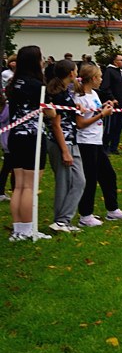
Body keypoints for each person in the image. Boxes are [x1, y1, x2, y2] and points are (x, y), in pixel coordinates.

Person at [73, 62, 122, 225]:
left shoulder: (94, 94)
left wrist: (104, 107)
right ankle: (85, 215)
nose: (101, 80)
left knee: (108, 175)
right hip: (86, 142)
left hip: (96, 141)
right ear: (93, 78)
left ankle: (112, 210)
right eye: (99, 77)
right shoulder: (80, 98)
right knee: (90, 179)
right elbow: (80, 123)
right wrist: (102, 115)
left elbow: (94, 111)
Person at [6, 46, 55, 241]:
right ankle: (26, 229)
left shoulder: (13, 83)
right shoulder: (38, 86)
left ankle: (19, 229)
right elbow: (50, 112)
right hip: (32, 137)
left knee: (19, 185)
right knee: (29, 186)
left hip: (15, 136)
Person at [45, 59, 85, 232]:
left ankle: (63, 219)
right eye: (76, 70)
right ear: (71, 73)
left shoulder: (64, 91)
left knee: (79, 181)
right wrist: (64, 151)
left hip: (71, 141)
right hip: (61, 143)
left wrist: (75, 107)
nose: (77, 73)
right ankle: (61, 221)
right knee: (64, 183)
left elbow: (65, 112)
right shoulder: (57, 94)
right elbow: (56, 124)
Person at [99, 53, 122, 154]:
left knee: (119, 126)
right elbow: (105, 87)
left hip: (121, 104)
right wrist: (112, 98)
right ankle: (105, 146)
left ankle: (114, 147)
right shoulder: (109, 71)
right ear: (115, 62)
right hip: (113, 105)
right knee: (110, 126)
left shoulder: (121, 72)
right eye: (121, 60)